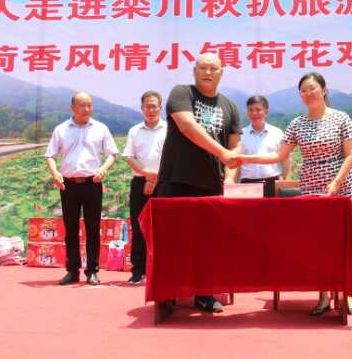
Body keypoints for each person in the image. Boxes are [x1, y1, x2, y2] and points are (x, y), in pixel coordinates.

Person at [240, 71, 352, 316]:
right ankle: (324, 295)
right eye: (303, 91)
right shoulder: (297, 124)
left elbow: (350, 154)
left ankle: (347, 295)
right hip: (312, 190)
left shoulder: (341, 118)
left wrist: (336, 182)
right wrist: (245, 158)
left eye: (312, 88)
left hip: (342, 189)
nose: (308, 94)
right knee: (319, 244)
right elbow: (278, 155)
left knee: (345, 244)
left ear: (323, 90)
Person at [155, 52, 241, 313]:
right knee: (171, 241)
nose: (208, 72)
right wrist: (222, 153)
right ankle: (166, 293)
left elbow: (235, 146)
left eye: (213, 68)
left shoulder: (230, 106)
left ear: (221, 73)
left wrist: (229, 179)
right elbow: (188, 127)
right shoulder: (182, 93)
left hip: (210, 184)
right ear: (194, 71)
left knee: (207, 243)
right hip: (176, 180)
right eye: (203, 68)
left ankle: (204, 294)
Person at [45, 92, 119, 286]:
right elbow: (50, 155)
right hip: (68, 185)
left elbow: (112, 153)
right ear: (72, 108)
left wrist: (103, 169)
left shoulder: (100, 128)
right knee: (71, 229)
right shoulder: (61, 129)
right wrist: (55, 173)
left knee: (93, 229)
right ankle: (72, 270)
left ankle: (92, 271)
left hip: (92, 183)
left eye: (89, 105)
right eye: (82, 105)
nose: (87, 109)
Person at [122, 90, 167, 286]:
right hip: (140, 183)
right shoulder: (134, 131)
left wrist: (155, 178)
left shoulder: (170, 129)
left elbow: (171, 158)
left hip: (164, 183)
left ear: (160, 108)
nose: (151, 110)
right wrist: (146, 174)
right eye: (147, 106)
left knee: (164, 228)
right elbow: (129, 156)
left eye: (154, 106)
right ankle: (138, 270)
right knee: (139, 226)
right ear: (142, 108)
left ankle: (162, 270)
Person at [224, 95, 291, 196]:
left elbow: (285, 159)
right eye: (250, 110)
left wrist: (287, 181)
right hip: (247, 184)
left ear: (266, 111)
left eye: (258, 109)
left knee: (274, 207)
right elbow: (235, 162)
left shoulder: (277, 133)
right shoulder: (241, 135)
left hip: (273, 183)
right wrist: (230, 180)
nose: (254, 113)